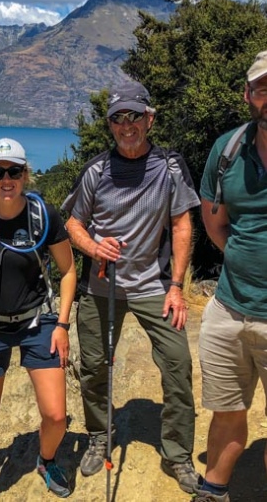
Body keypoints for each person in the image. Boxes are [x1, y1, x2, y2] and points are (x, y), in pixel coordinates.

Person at [62, 80, 200, 494]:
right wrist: (94, 247)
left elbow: (181, 223)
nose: (127, 125)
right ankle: (100, 435)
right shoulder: (96, 171)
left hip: (154, 285)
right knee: (93, 367)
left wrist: (177, 286)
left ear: (149, 119)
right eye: (118, 118)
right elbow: (72, 223)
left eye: (134, 116)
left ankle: (178, 454)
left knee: (178, 365)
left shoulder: (170, 168)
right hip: (102, 288)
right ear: (110, 125)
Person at [0, 138, 77, 501]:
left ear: (26, 174)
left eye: (14, 171)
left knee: (56, 415)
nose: (6, 179)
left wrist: (62, 326)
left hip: (36, 322)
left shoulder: (43, 216)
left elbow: (68, 270)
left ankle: (46, 459)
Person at [193, 51, 267, 502]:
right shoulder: (228, 150)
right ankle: (213, 490)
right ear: (248, 95)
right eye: (263, 88)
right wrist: (245, 261)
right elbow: (216, 226)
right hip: (228, 308)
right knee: (226, 413)